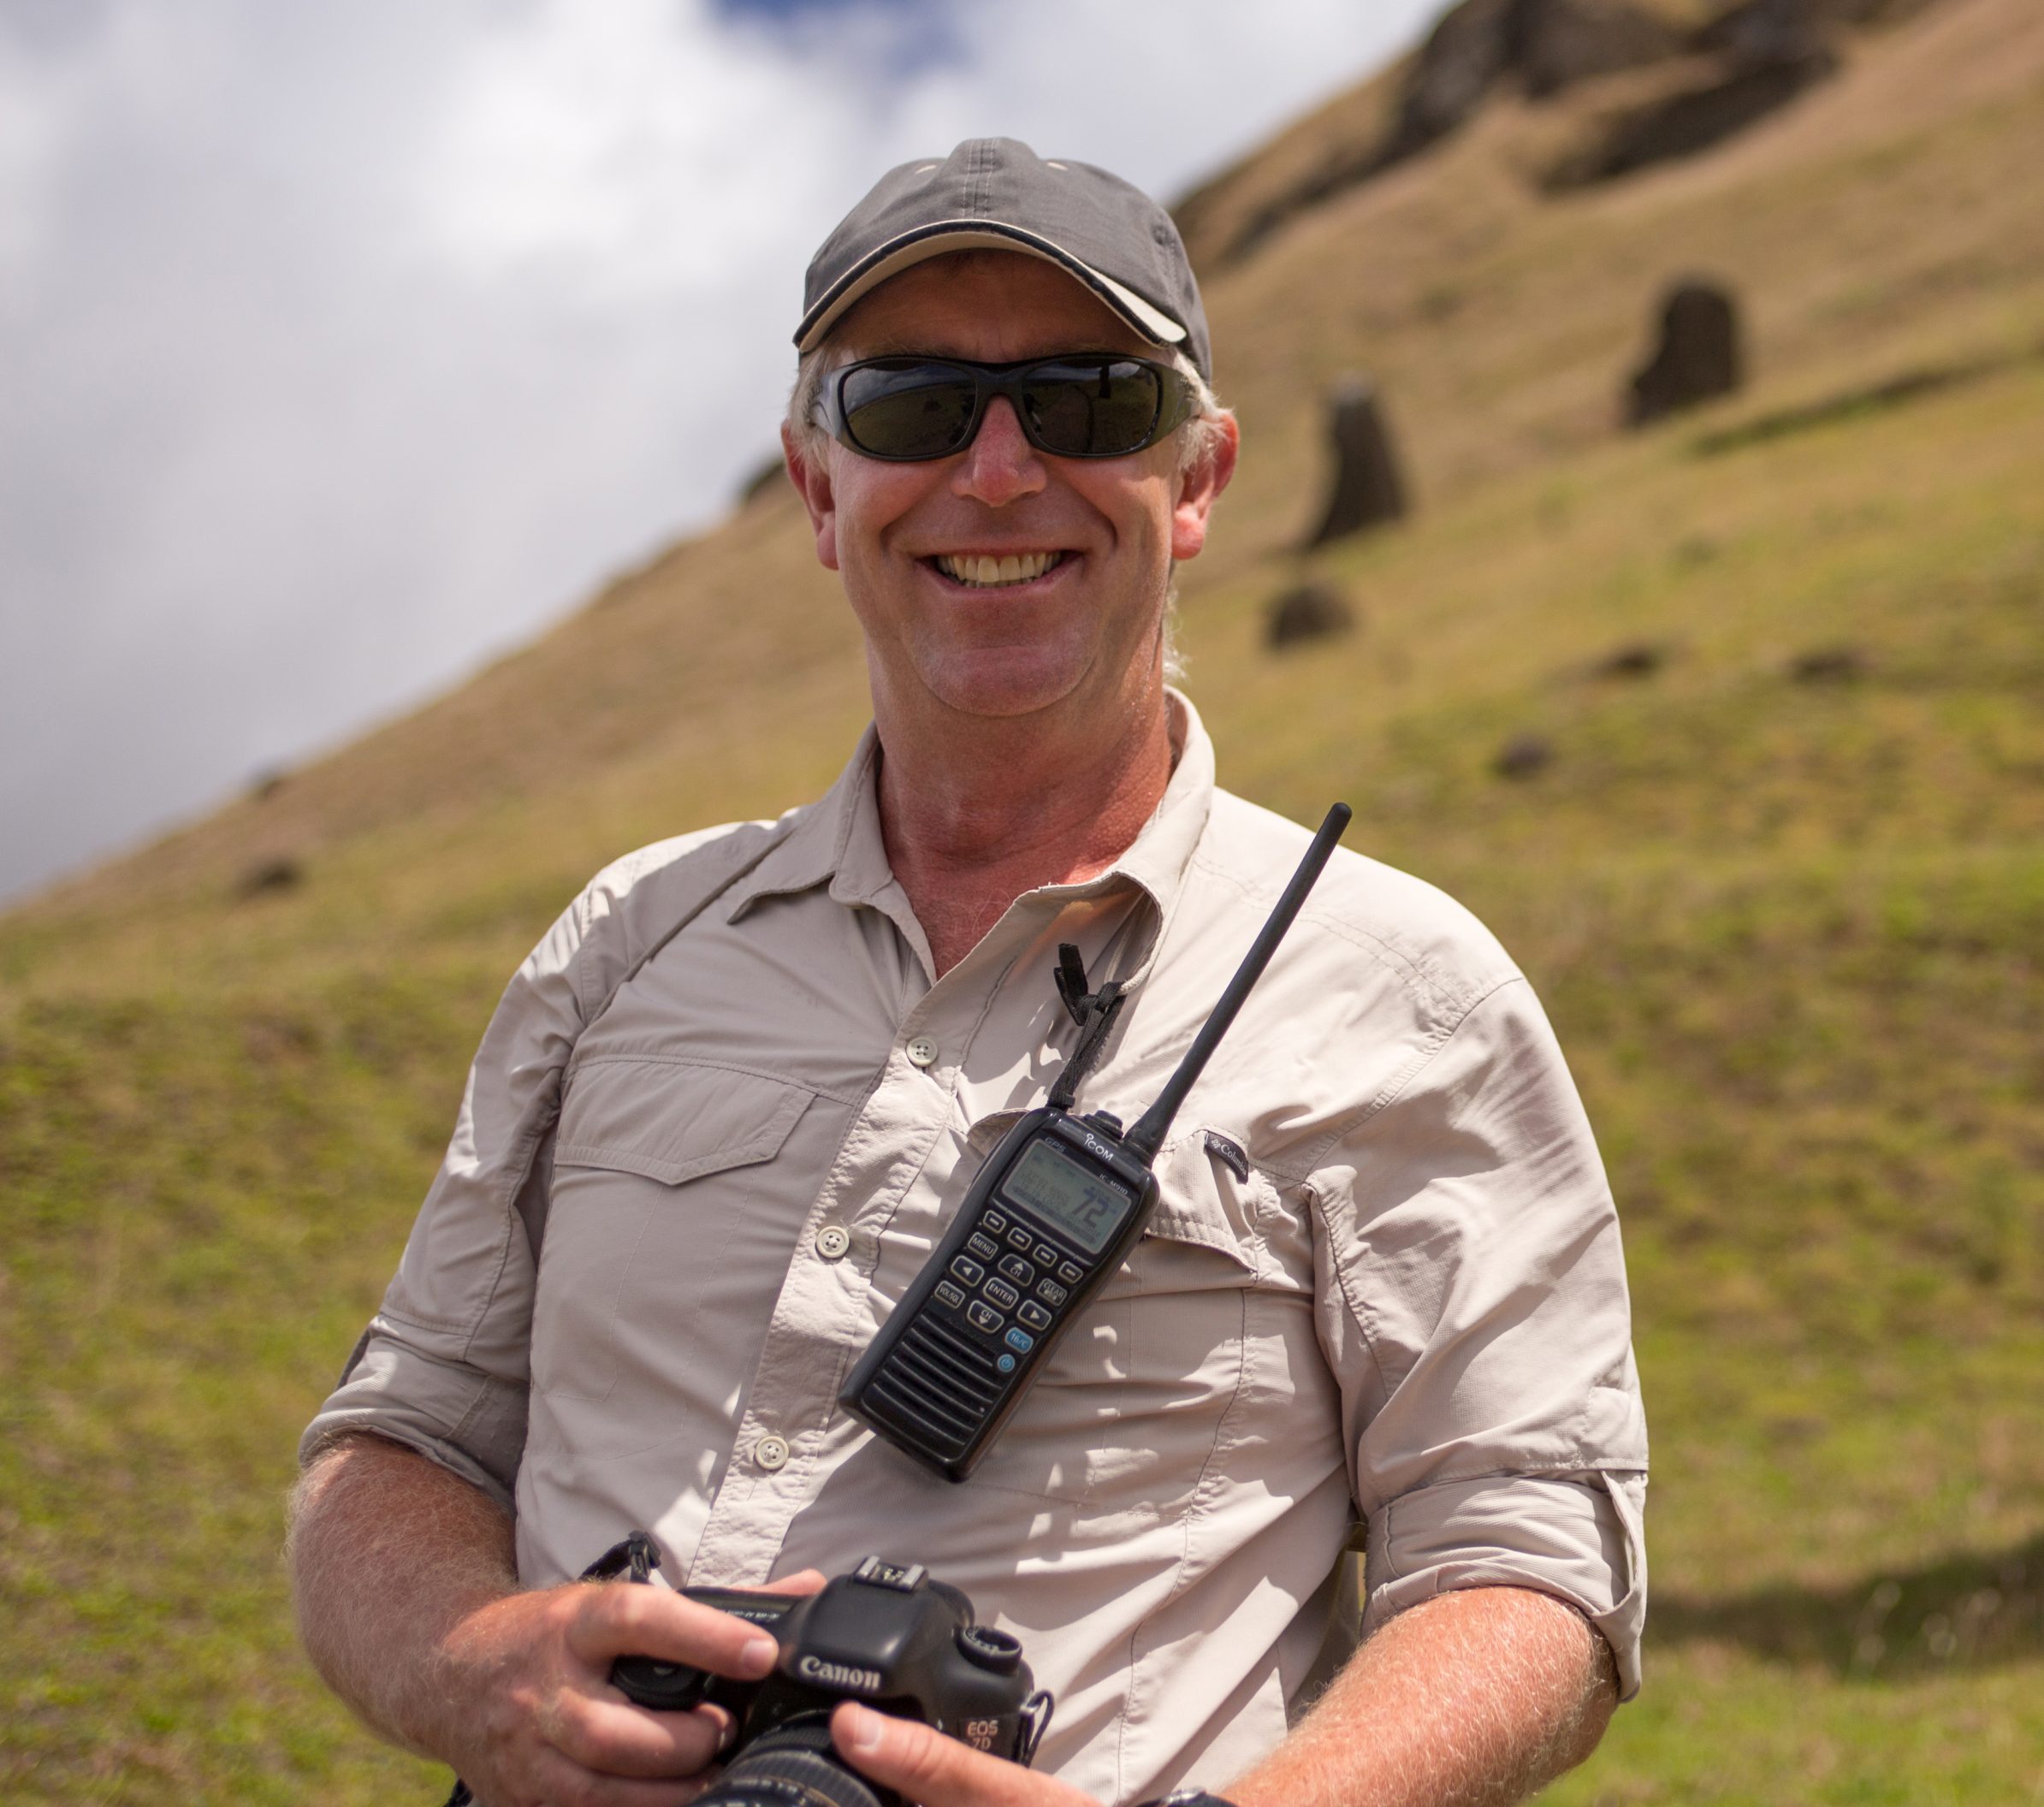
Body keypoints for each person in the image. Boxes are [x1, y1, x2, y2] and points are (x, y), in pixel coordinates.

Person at [292, 137, 1647, 1807]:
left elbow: (1527, 1551)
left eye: (1085, 401)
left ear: (1199, 479)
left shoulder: (1405, 992)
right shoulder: (626, 942)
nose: (998, 474)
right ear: (817, 490)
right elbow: (403, 1436)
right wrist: (465, 1660)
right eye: (914, 407)